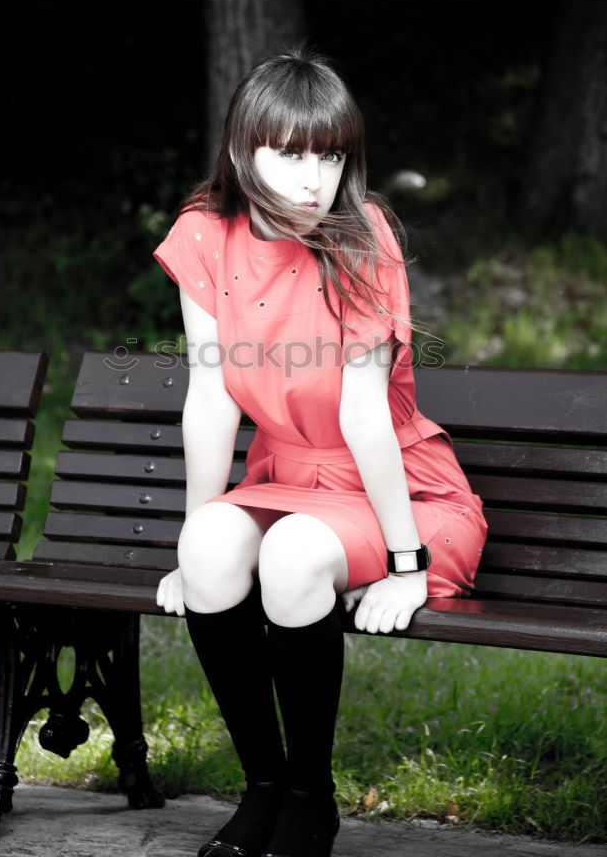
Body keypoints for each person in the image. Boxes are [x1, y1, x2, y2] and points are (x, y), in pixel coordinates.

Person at [152, 46, 487, 857]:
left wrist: (407, 564)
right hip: (287, 477)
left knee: (297, 552)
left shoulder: (363, 236)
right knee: (205, 543)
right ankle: (262, 788)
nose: (314, 180)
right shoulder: (204, 233)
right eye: (291, 154)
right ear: (244, 149)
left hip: (399, 492)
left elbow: (367, 414)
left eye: (330, 156)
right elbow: (210, 397)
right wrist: (198, 555)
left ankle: (310, 799)